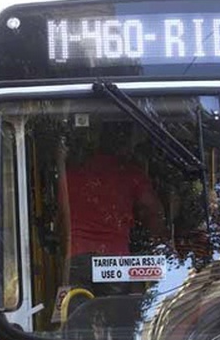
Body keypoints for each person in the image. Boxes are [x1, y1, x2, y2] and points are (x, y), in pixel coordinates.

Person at [58, 121, 166, 290]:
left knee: (75, 312)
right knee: (119, 314)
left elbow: (61, 217)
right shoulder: (131, 173)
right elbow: (152, 210)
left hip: (77, 259)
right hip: (115, 262)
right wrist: (160, 241)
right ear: (125, 143)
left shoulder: (71, 174)